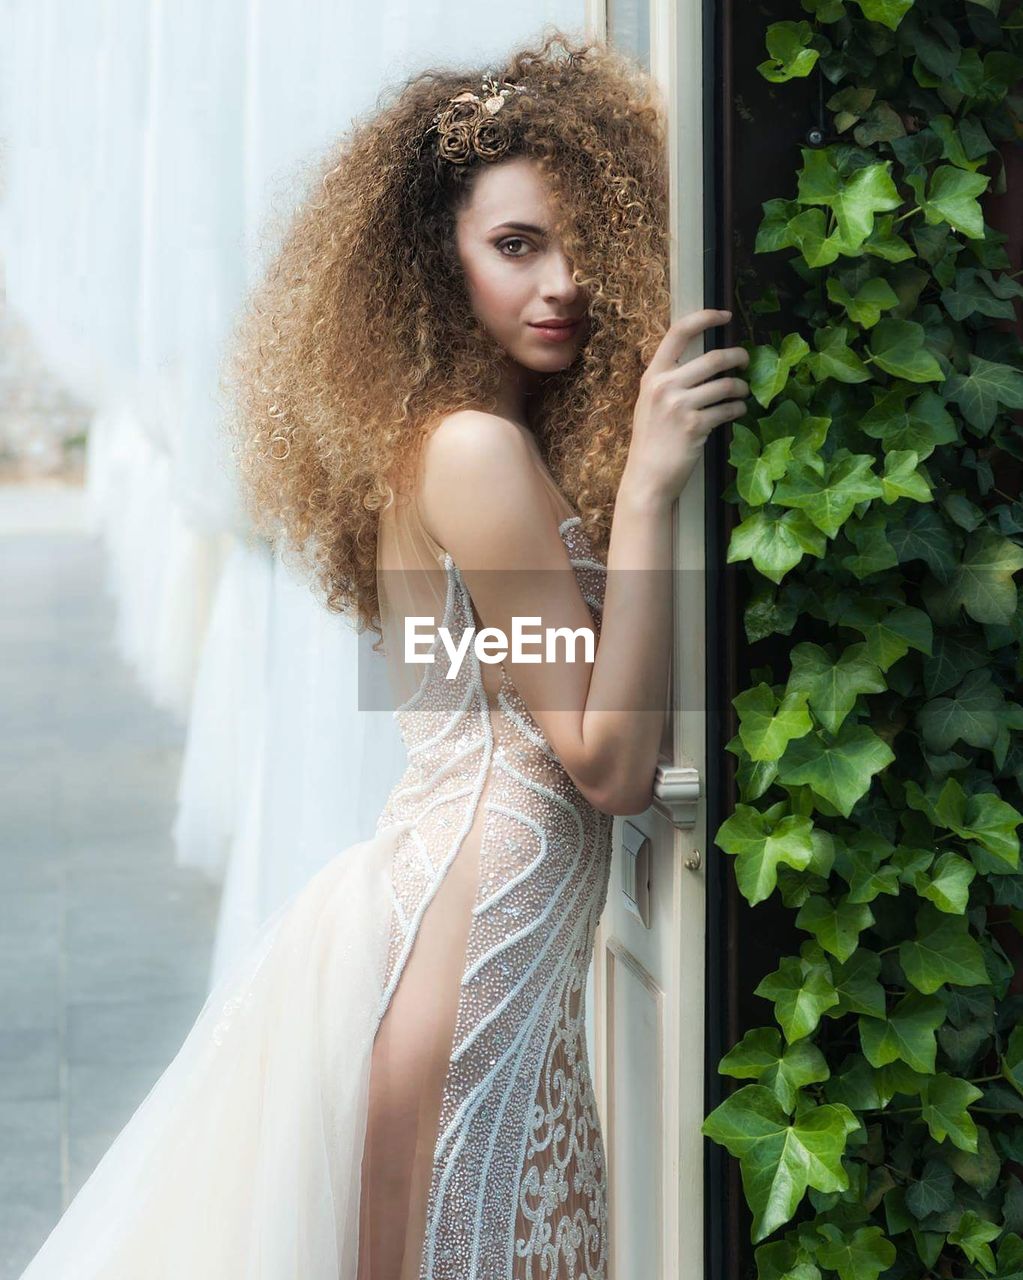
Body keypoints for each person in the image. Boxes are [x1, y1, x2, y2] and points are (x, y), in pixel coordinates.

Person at [17, 28, 750, 1280]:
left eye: (582, 243)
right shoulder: (473, 449)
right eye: (516, 245)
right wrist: (646, 489)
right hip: (480, 953)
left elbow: (452, 698)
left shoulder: (431, 441)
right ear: (435, 259)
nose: (562, 281)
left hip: (438, 914)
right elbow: (608, 763)